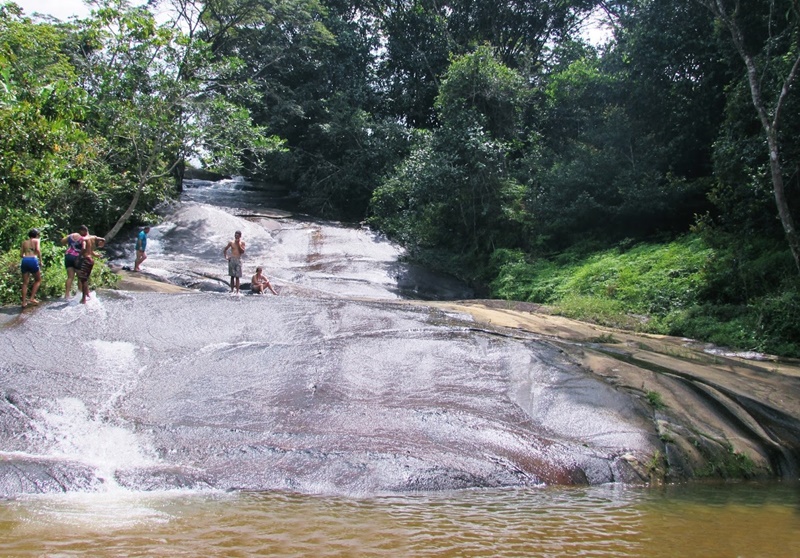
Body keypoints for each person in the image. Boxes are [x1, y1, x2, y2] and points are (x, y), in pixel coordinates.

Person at [76, 229, 105, 304]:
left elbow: (84, 248)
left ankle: (84, 299)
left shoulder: (86, 238)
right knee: (84, 278)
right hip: (90, 260)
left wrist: (78, 257)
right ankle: (87, 295)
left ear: (83, 231)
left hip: (86, 260)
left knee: (83, 279)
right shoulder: (92, 237)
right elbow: (91, 250)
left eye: (80, 232)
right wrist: (102, 242)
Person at [61, 225, 88, 298]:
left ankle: (66, 295)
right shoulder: (82, 239)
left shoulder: (71, 235)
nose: (86, 233)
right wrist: (80, 256)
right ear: (82, 231)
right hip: (76, 257)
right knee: (80, 277)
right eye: (85, 231)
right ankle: (79, 294)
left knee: (70, 277)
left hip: (68, 256)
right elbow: (84, 248)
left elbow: (62, 241)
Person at [20, 228, 42, 308]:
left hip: (25, 260)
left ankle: (23, 302)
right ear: (36, 235)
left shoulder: (24, 242)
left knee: (25, 282)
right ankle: (32, 298)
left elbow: (21, 255)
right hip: (33, 259)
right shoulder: (37, 241)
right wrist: (40, 260)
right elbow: (38, 250)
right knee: (38, 279)